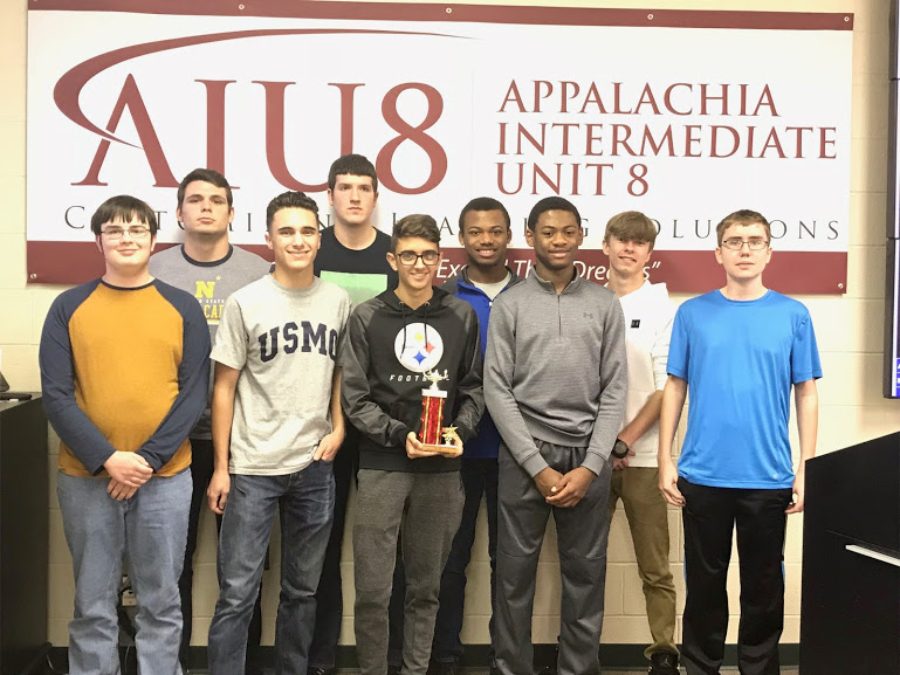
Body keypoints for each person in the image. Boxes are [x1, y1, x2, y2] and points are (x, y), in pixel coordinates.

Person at [40, 195, 210, 674]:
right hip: (87, 478)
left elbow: (193, 394)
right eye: (115, 230)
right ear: (99, 241)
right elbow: (56, 395)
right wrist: (107, 459)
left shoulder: (183, 307)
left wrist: (147, 461)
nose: (126, 238)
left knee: (160, 602)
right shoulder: (68, 307)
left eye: (137, 230)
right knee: (93, 604)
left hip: (166, 480)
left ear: (154, 241)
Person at [658, 209, 821, 675]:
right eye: (734, 241)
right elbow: (675, 386)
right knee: (705, 588)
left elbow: (806, 392)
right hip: (702, 474)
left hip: (768, 477)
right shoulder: (693, 313)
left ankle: (759, 669)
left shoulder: (793, 315)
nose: (744, 249)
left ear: (769, 251)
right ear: (718, 252)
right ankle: (700, 667)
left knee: (763, 589)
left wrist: (807, 468)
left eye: (754, 241)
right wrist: (667, 458)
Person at [205, 191, 351, 675]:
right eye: (287, 231)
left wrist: (339, 426)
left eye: (307, 231)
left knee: (303, 592)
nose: (298, 240)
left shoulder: (337, 300)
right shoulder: (246, 302)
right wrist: (222, 467)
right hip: (251, 470)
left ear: (319, 237)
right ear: (269, 239)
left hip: (314, 466)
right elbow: (223, 387)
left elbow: (338, 374)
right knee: (238, 594)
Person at [484, 196, 627, 675]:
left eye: (568, 231)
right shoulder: (510, 305)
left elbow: (615, 390)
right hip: (525, 457)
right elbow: (497, 390)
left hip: (589, 456)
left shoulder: (606, 305)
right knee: (512, 580)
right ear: (530, 237)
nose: (559, 240)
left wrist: (590, 466)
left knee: (586, 578)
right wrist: (537, 466)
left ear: (580, 236)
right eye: (548, 232)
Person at [341, 214, 484, 675]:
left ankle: (416, 669)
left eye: (427, 255)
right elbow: (355, 398)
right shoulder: (367, 316)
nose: (418, 264)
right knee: (373, 590)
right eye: (408, 255)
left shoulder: (459, 315)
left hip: (441, 471)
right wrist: (401, 436)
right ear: (392, 259)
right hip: (383, 466)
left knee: (426, 588)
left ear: (440, 260)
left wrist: (457, 432)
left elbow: (475, 388)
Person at [149, 167, 270, 673]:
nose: (205, 207)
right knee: (169, 567)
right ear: (178, 213)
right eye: (194, 200)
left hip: (239, 443)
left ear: (230, 213)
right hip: (169, 441)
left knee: (241, 573)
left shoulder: (258, 272)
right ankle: (168, 664)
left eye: (215, 200)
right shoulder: (153, 269)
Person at [309, 153, 401, 675]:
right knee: (320, 550)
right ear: (330, 195)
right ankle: (320, 658)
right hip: (319, 427)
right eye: (344, 187)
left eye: (364, 187)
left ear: (375, 196)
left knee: (385, 550)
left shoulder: (393, 256)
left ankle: (387, 659)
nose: (354, 196)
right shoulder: (310, 248)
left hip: (383, 426)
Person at [429, 197, 520, 675]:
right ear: (461, 237)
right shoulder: (443, 298)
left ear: (508, 235)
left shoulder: (532, 295)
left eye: (495, 230)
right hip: (453, 451)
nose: (486, 240)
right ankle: (445, 659)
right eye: (476, 231)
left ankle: (506, 661)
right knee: (448, 564)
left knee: (509, 568)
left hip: (515, 454)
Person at [601, 211, 679, 675]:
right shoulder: (586, 301)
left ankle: (664, 652)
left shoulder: (664, 310)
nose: (629, 249)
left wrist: (624, 442)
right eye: (621, 240)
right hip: (589, 458)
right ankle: (579, 649)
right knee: (584, 562)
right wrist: (598, 448)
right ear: (605, 245)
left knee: (654, 565)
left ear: (649, 253)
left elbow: (667, 387)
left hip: (644, 457)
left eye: (639, 242)